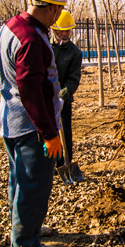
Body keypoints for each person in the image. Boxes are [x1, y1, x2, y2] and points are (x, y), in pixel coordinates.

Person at [0, 0, 66, 247]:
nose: (57, 17)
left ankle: (25, 230)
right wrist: (49, 133)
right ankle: (26, 241)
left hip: (11, 122)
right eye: (58, 11)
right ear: (52, 8)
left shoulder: (10, 26)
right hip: (32, 129)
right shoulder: (31, 39)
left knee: (19, 182)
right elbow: (31, 91)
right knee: (33, 189)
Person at [50, 9, 82, 173]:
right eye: (62, 31)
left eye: (68, 31)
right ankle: (49, 165)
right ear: (54, 30)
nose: (65, 34)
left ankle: (64, 164)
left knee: (65, 134)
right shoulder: (46, 48)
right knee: (47, 134)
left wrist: (63, 95)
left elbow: (73, 78)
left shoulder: (75, 53)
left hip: (63, 101)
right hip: (46, 100)